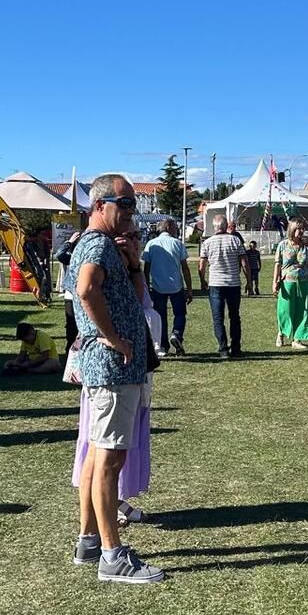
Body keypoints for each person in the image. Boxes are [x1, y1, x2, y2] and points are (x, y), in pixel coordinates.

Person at [70, 174, 163, 584]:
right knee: (109, 459)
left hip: (114, 367)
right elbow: (87, 289)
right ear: (99, 206)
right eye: (123, 204)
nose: (130, 212)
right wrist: (114, 339)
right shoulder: (95, 243)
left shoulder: (110, 247)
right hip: (111, 367)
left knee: (97, 455)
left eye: (132, 205)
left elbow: (129, 293)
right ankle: (112, 556)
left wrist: (132, 264)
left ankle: (90, 540)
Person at [199, 215, 247, 359]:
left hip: (215, 283)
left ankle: (223, 349)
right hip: (233, 283)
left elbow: (202, 266)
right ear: (226, 226)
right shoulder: (235, 240)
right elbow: (244, 263)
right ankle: (236, 348)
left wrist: (202, 280)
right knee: (234, 317)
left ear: (214, 227)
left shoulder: (207, 243)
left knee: (218, 318)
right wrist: (249, 281)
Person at [143, 218, 193, 356]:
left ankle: (163, 345)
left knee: (160, 317)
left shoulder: (151, 244)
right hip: (176, 285)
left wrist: (146, 287)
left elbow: (146, 269)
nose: (177, 229)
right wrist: (189, 289)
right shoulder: (178, 244)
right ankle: (177, 333)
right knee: (180, 313)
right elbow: (185, 268)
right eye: (175, 227)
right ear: (170, 228)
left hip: (158, 286)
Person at [272, 220, 308, 349]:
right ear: (291, 230)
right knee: (285, 310)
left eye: (302, 229)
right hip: (287, 282)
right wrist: (275, 281)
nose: (301, 231)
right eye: (298, 229)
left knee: (303, 310)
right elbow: (277, 264)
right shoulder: (283, 245)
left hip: (304, 281)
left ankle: (298, 339)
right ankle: (281, 333)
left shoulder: (306, 246)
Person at [55, 228, 85, 349]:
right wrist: (70, 242)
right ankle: (70, 352)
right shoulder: (72, 257)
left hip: (84, 296)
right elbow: (59, 254)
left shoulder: (90, 256)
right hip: (71, 296)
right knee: (71, 327)